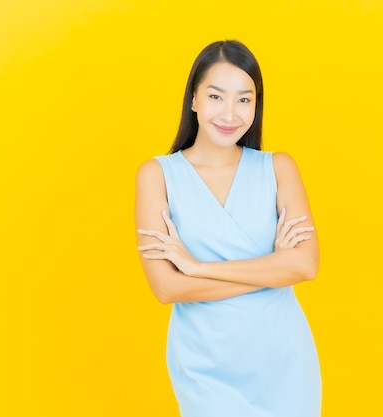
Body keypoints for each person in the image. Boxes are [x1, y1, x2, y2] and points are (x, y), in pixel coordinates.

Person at [135, 40, 321, 417]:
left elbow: (306, 266)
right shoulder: (158, 176)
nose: (230, 113)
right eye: (216, 96)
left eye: (244, 99)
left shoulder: (279, 168)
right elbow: (168, 287)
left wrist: (198, 268)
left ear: (257, 105)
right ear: (193, 100)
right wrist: (273, 269)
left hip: (283, 359)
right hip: (204, 363)